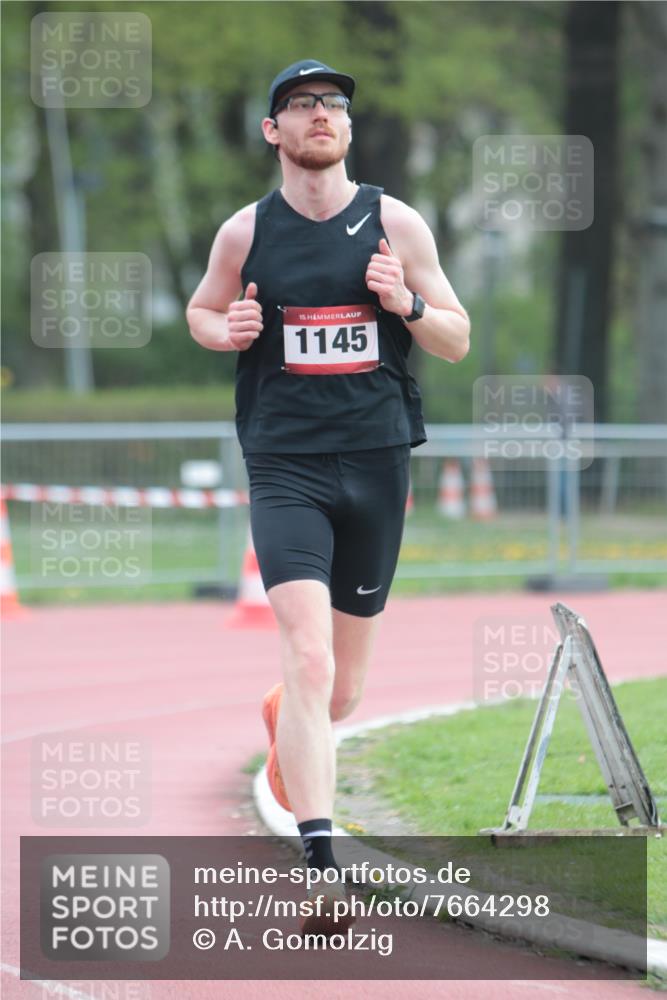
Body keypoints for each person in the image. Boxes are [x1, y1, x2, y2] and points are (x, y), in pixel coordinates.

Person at [186, 58, 470, 934]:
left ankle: (288, 720)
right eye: (302, 105)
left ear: (347, 129)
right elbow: (203, 309)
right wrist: (221, 328)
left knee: (339, 692)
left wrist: (406, 302)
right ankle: (320, 868)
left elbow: (456, 339)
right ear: (273, 131)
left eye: (334, 105)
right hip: (286, 464)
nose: (321, 115)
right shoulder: (244, 233)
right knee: (305, 657)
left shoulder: (393, 222)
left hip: (377, 463)